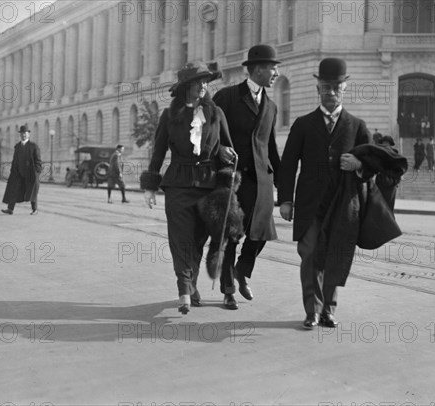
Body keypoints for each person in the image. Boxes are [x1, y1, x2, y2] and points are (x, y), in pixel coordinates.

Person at [277, 58, 372, 329]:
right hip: (310, 205)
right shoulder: (303, 124)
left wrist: (359, 164)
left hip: (342, 206)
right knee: (310, 256)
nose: (331, 92)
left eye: (336, 87)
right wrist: (285, 200)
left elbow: (374, 162)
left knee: (335, 256)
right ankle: (313, 311)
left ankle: (329, 310)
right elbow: (287, 165)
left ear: (345, 88)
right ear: (317, 88)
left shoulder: (357, 126)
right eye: (326, 87)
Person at [140, 61, 234, 315]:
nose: (204, 86)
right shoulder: (169, 116)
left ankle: (191, 284)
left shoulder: (217, 114)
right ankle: (184, 290)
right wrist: (150, 187)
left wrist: (226, 154)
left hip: (209, 185)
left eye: (206, 81)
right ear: (187, 87)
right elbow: (158, 152)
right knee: (180, 239)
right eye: (198, 82)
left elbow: (228, 148)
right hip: (178, 185)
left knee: (197, 241)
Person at [212, 44, 281, 310]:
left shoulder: (271, 106)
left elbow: (272, 148)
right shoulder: (227, 97)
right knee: (231, 236)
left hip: (263, 182)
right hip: (234, 180)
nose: (276, 73)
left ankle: (243, 270)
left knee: (261, 233)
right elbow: (207, 131)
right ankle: (228, 289)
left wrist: (286, 189)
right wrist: (218, 149)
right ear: (258, 69)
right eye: (273, 68)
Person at [1, 125, 42, 215]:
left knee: (31, 191)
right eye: (22, 133)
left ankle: (34, 210)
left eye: (25, 133)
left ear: (28, 135)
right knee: (14, 189)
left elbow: (38, 161)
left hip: (30, 173)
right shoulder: (17, 147)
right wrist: (13, 172)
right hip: (18, 173)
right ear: (20, 135)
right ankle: (10, 209)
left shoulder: (33, 146)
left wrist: (36, 172)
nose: (23, 135)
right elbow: (15, 160)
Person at [375, 135, 406, 211]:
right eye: (384, 143)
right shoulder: (379, 154)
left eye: (387, 143)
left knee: (389, 206)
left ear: (390, 144)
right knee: (379, 206)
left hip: (391, 183)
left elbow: (400, 169)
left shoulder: (395, 155)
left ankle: (389, 221)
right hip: (380, 182)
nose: (385, 145)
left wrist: (397, 181)